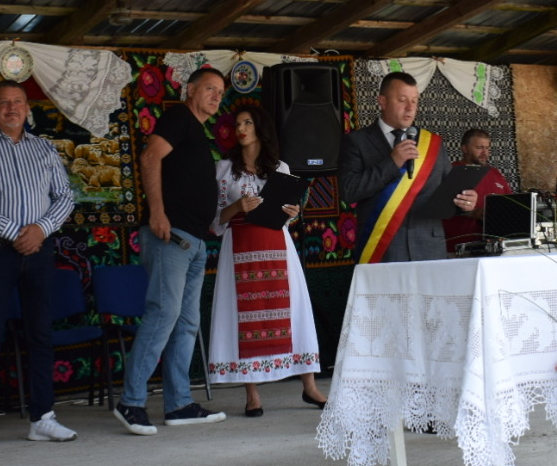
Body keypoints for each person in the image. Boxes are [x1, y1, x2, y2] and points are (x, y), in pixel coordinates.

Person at [0, 82, 78, 449]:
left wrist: (40, 229)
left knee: (41, 334)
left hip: (39, 250)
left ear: (28, 109)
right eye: (4, 103)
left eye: (19, 102)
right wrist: (15, 233)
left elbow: (65, 196)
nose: (12, 108)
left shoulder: (44, 148)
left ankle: (42, 418)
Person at [113, 66, 229, 435]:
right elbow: (150, 158)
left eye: (220, 92)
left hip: (194, 240)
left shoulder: (197, 130)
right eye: (209, 88)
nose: (216, 96)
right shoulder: (179, 118)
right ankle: (131, 401)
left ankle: (178, 404)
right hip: (171, 235)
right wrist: (157, 212)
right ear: (190, 90)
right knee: (163, 313)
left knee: (186, 322)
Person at [205, 106, 326, 417]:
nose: (241, 129)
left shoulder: (280, 168)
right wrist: (237, 206)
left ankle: (309, 386)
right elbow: (215, 222)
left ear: (260, 128)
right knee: (243, 316)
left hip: (277, 248)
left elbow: (285, 212)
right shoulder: (224, 170)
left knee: (294, 311)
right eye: (237, 124)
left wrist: (292, 213)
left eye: (247, 122)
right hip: (239, 249)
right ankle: (252, 394)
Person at [339, 71, 476, 263]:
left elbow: (449, 192)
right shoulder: (357, 141)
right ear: (383, 102)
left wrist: (465, 203)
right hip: (382, 249)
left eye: (414, 101)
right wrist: (392, 163)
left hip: (429, 249)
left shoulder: (433, 143)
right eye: (402, 100)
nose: (410, 108)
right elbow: (349, 191)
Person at [441, 127, 514, 255]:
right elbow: (441, 208)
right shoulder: (451, 172)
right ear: (465, 149)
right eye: (479, 148)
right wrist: (476, 212)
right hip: (458, 248)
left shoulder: (495, 173)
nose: (484, 152)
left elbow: (510, 203)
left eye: (487, 148)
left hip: (495, 248)